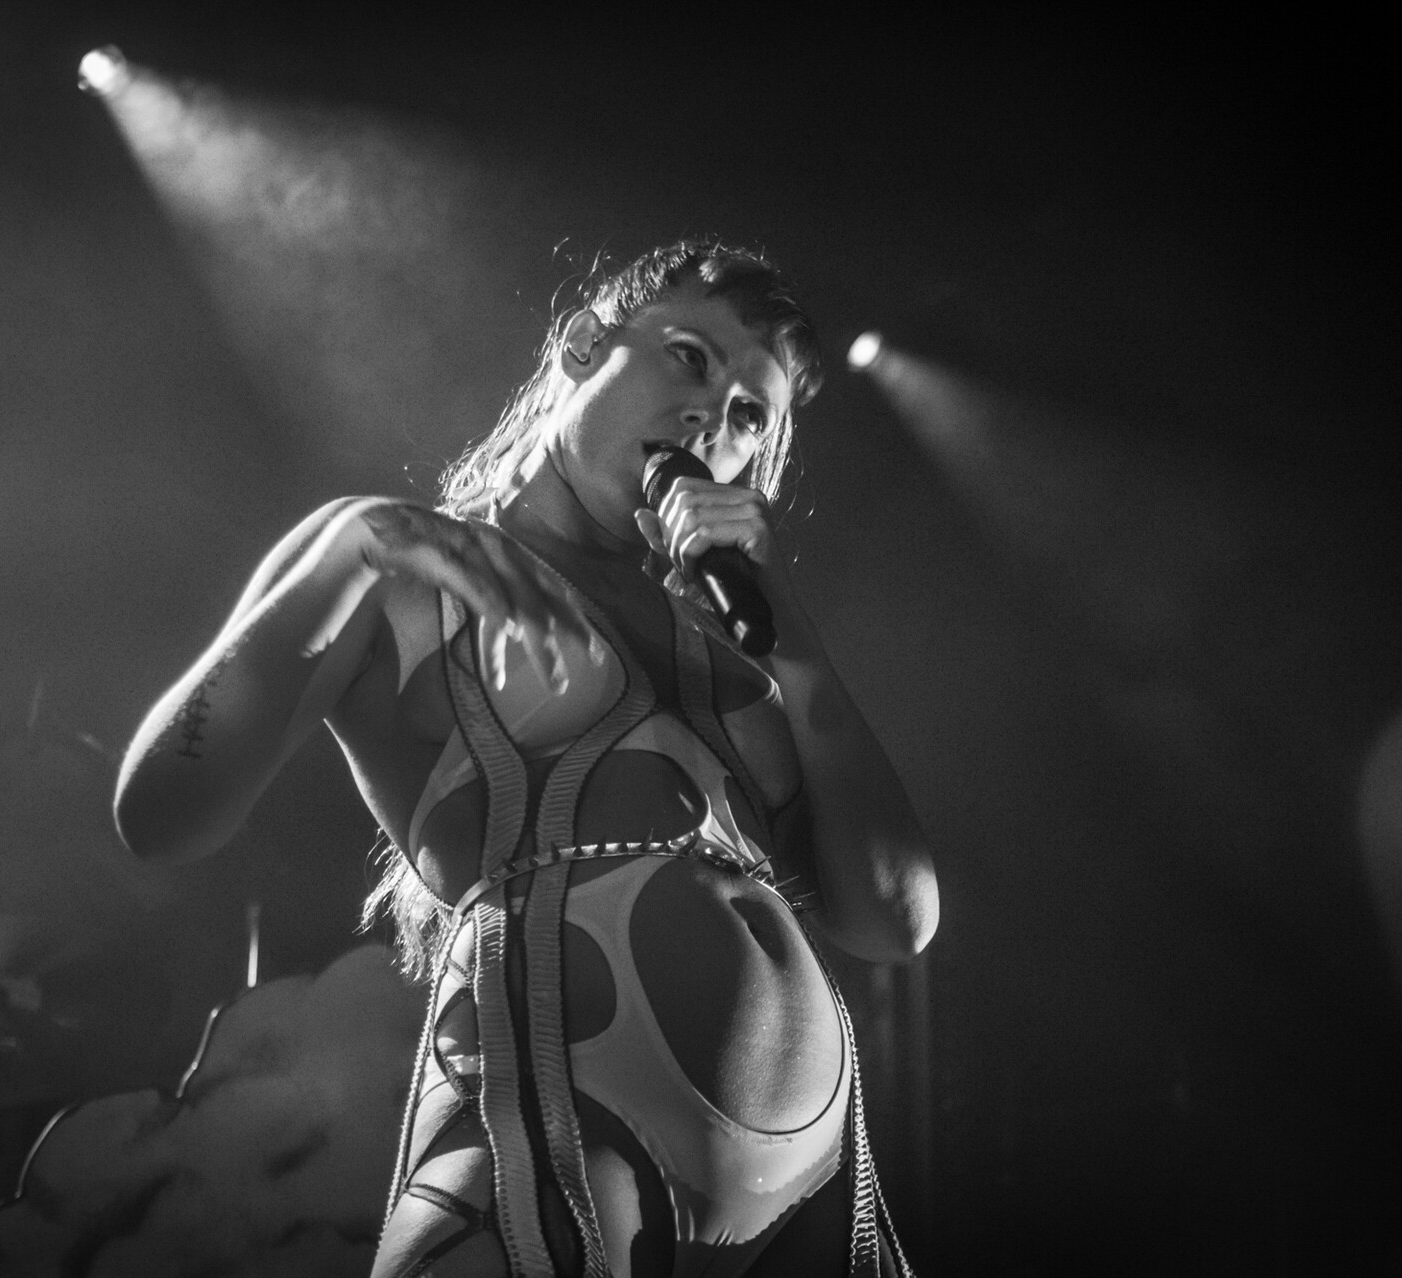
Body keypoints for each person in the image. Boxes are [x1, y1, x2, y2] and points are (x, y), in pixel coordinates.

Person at [114, 240, 938, 1277]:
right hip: (548, 1143)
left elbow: (897, 918)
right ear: (584, 345)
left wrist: (792, 637)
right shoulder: (402, 557)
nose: (709, 420)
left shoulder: (742, 640)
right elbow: (162, 812)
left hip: (815, 1192)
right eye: (689, 358)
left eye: (748, 417)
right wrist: (354, 547)